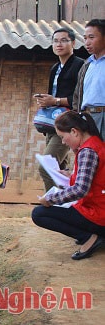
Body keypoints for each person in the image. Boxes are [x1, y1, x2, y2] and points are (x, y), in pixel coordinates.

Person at [32, 111, 105, 260]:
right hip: (99, 208)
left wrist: (50, 199)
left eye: (62, 137)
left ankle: (89, 238)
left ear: (74, 132)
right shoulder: (95, 143)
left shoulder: (88, 151)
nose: (63, 142)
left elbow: (80, 190)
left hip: (98, 213)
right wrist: (71, 176)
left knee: (39, 213)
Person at [35, 28, 84, 192]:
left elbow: (80, 98)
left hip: (69, 124)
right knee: (60, 168)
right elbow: (53, 95)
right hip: (52, 123)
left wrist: (55, 100)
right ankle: (67, 206)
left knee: (46, 167)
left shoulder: (81, 65)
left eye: (64, 40)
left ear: (74, 43)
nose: (59, 44)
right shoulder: (55, 68)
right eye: (55, 41)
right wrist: (45, 102)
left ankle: (54, 205)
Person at [73, 19, 105, 136]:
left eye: (92, 37)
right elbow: (77, 95)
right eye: (85, 38)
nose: (87, 42)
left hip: (103, 114)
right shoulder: (86, 64)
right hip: (87, 117)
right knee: (90, 153)